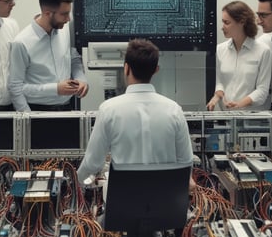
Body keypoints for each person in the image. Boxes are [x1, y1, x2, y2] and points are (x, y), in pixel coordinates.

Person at [77, 38, 193, 185]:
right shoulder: (174, 110)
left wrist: (76, 184)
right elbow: (186, 161)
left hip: (123, 202)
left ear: (126, 68)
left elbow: (92, 163)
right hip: (165, 202)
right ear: (156, 70)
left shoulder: (108, 109)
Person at [8, 0, 88, 111]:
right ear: (47, 14)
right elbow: (16, 87)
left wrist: (81, 79)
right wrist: (55, 89)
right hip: (37, 111)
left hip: (67, 108)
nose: (68, 19)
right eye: (64, 14)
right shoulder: (21, 43)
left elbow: (73, 58)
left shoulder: (64, 30)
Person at [207, 0, 271, 111]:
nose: (222, 27)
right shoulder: (220, 49)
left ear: (242, 22)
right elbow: (220, 82)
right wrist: (216, 97)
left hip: (252, 119)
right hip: (227, 117)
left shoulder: (263, 51)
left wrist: (239, 104)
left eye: (227, 23)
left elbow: (262, 90)